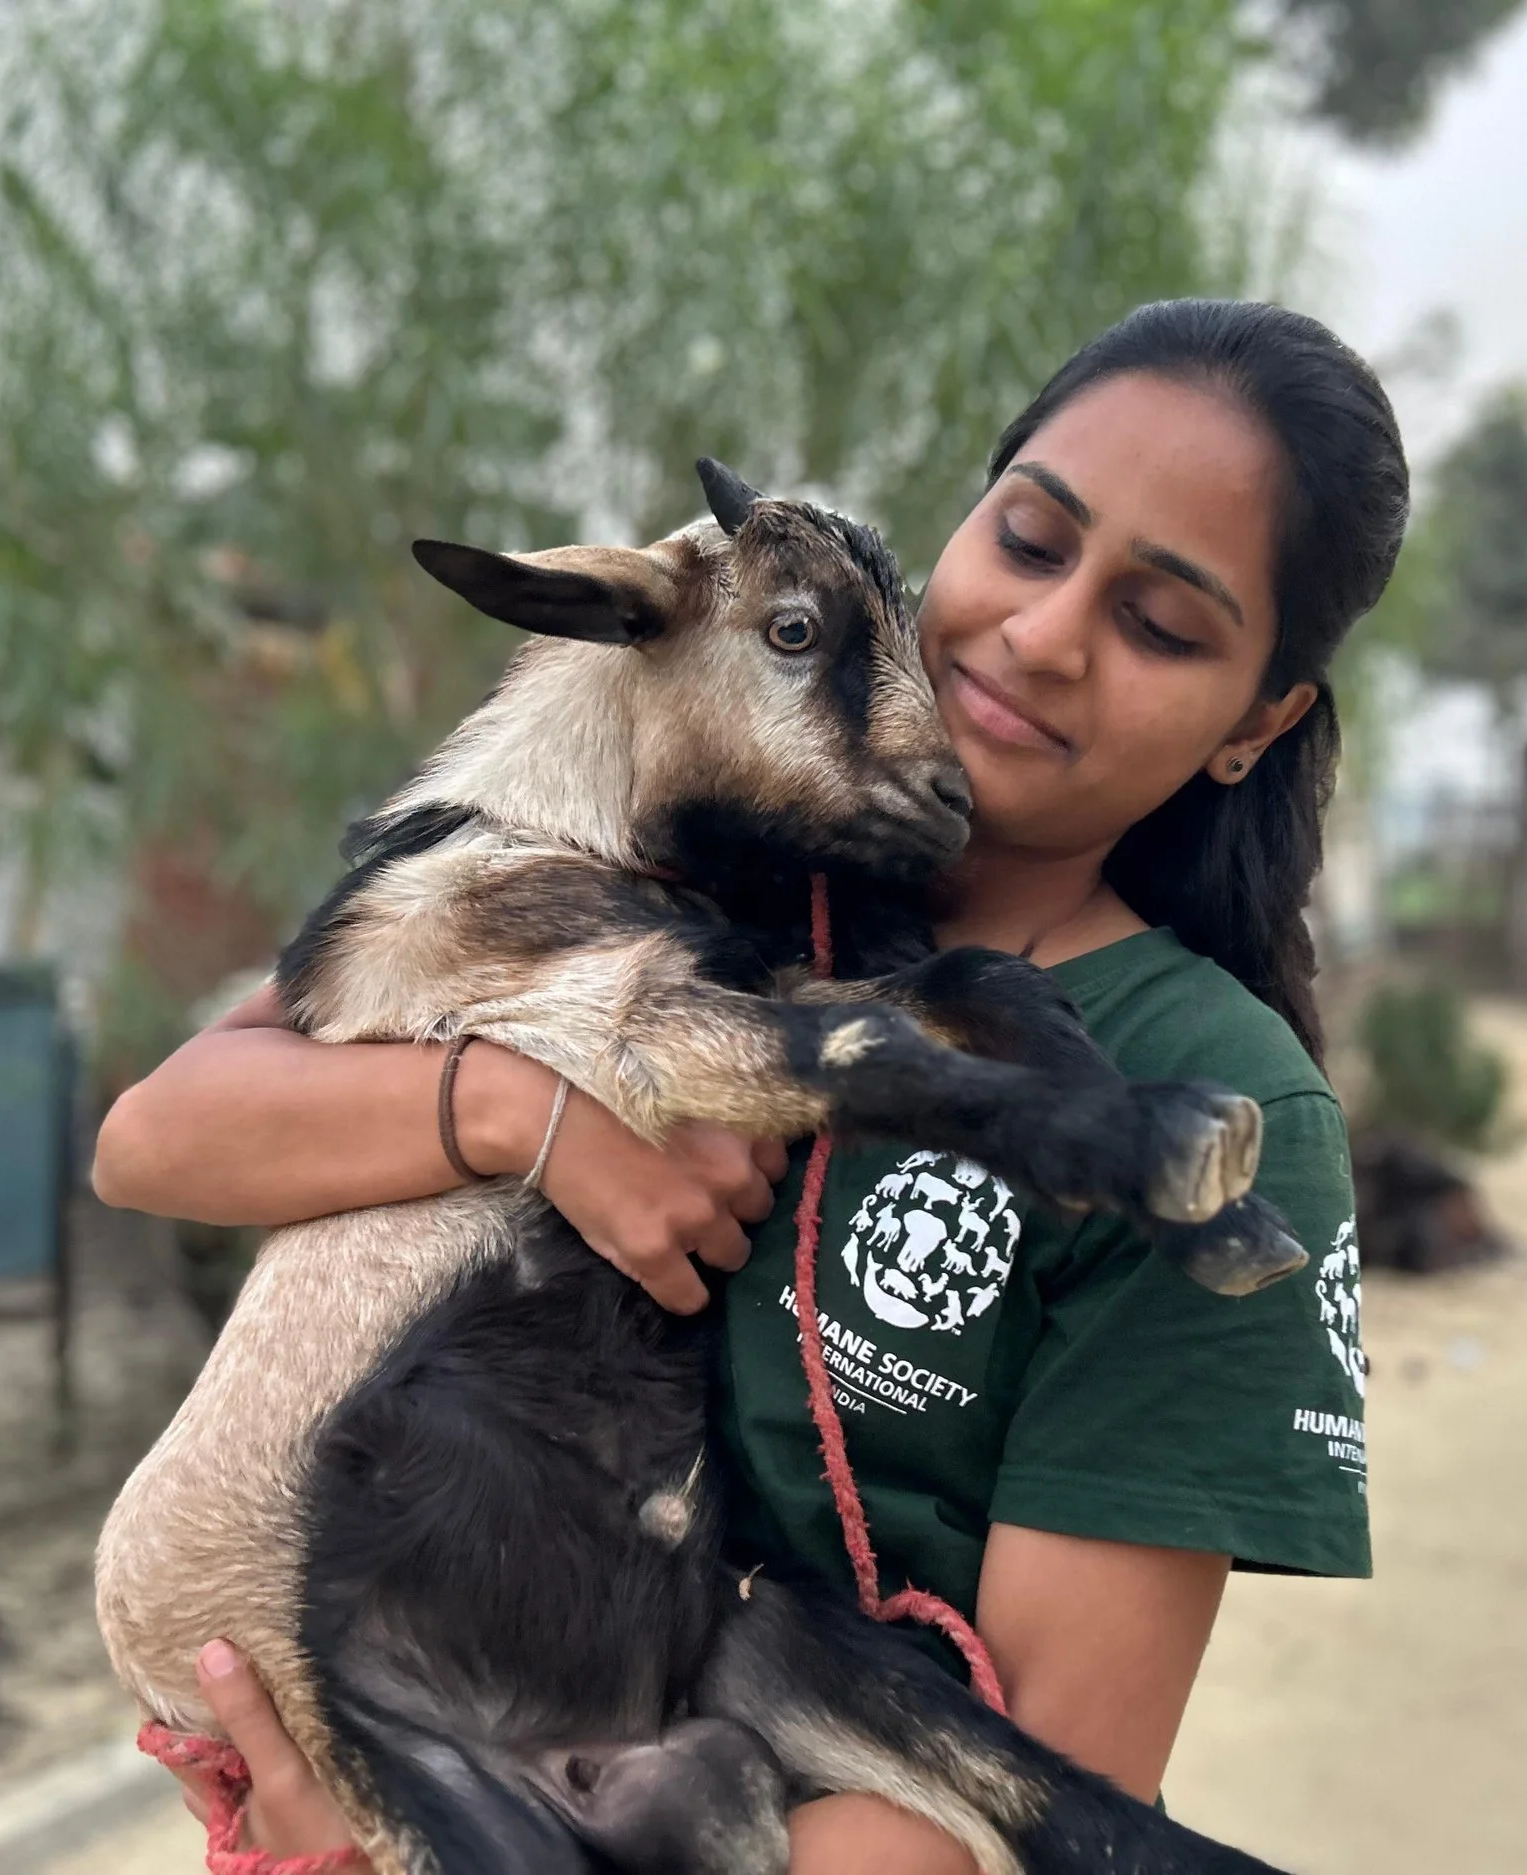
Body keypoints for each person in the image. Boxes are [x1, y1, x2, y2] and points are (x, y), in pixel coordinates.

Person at [92, 297, 1406, 1872]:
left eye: (1162, 626)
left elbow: (1026, 1808)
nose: (1047, 634)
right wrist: (530, 1117)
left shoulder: (1216, 1102)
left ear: (1256, 722)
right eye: (1031, 539)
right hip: (410, 1684)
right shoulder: (693, 851)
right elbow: (160, 1133)